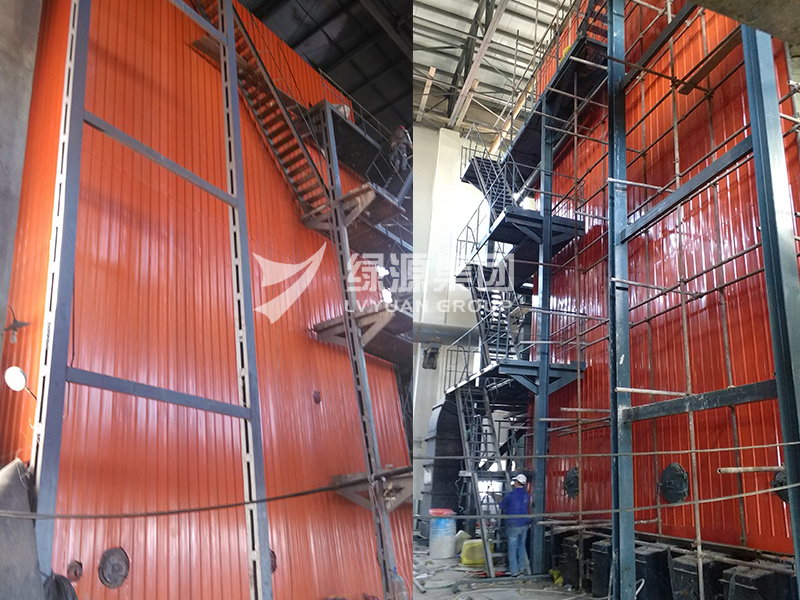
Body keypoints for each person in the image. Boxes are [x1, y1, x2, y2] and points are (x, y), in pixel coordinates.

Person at [499, 473, 531, 577]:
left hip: (513, 524)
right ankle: (522, 568)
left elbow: (501, 506)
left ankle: (514, 572)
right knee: (522, 546)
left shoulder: (510, 495)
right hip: (524, 524)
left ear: (517, 482)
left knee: (512, 548)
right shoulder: (527, 495)